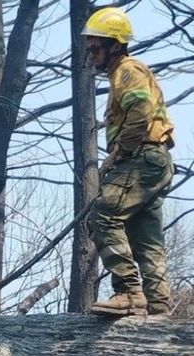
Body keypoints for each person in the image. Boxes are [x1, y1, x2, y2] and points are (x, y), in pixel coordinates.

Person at [82, 8, 175, 316]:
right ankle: (159, 309)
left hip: (142, 158)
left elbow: (140, 112)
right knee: (145, 236)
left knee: (102, 216)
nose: (92, 55)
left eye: (96, 48)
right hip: (152, 161)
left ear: (115, 45)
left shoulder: (129, 71)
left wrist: (120, 151)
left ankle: (128, 293)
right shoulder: (121, 74)